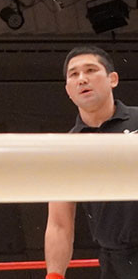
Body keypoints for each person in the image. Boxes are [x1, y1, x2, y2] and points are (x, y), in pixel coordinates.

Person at [44, 46, 138, 279]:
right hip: (116, 263)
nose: (82, 79)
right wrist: (54, 276)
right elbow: (59, 224)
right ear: (68, 90)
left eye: (90, 70)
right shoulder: (66, 149)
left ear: (112, 79)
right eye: (74, 74)